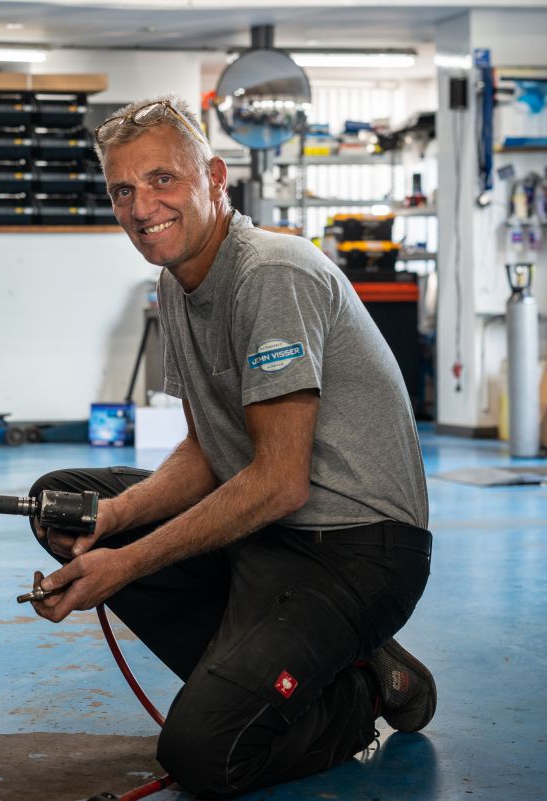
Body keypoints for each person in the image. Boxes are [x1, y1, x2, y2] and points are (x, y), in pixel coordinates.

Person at [26, 95, 435, 798]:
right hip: (274, 536)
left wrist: (123, 564)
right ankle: (252, 671)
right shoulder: (177, 284)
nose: (141, 205)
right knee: (65, 502)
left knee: (204, 753)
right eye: (123, 189)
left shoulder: (270, 273)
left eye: (162, 179)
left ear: (214, 178)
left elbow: (279, 481)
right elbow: (206, 450)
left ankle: (363, 684)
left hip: (358, 550)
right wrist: (113, 520)